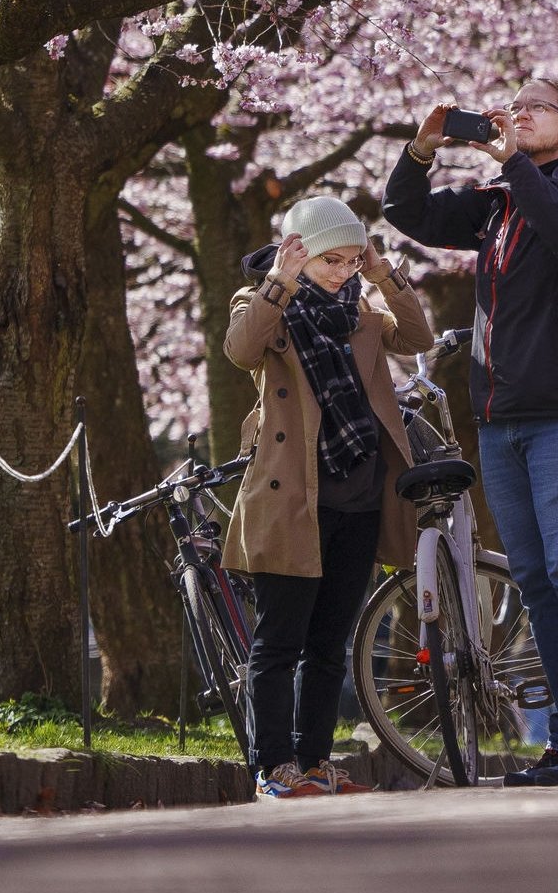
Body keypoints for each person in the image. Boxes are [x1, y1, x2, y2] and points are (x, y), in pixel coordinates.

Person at [383, 78, 558, 785]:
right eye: (515, 102)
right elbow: (404, 210)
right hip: (504, 422)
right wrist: (420, 149)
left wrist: (514, 164)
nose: (519, 111)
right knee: (536, 578)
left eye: (537, 106)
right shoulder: (500, 204)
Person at [223, 197, 433, 799]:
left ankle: (314, 764)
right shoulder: (265, 304)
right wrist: (277, 284)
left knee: (328, 645)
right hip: (294, 499)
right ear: (299, 252)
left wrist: (384, 273)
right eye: (330, 260)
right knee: (279, 642)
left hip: (360, 497)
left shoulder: (363, 313)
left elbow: (415, 335)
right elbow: (242, 351)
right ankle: (273, 768)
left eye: (350, 259)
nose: (342, 272)